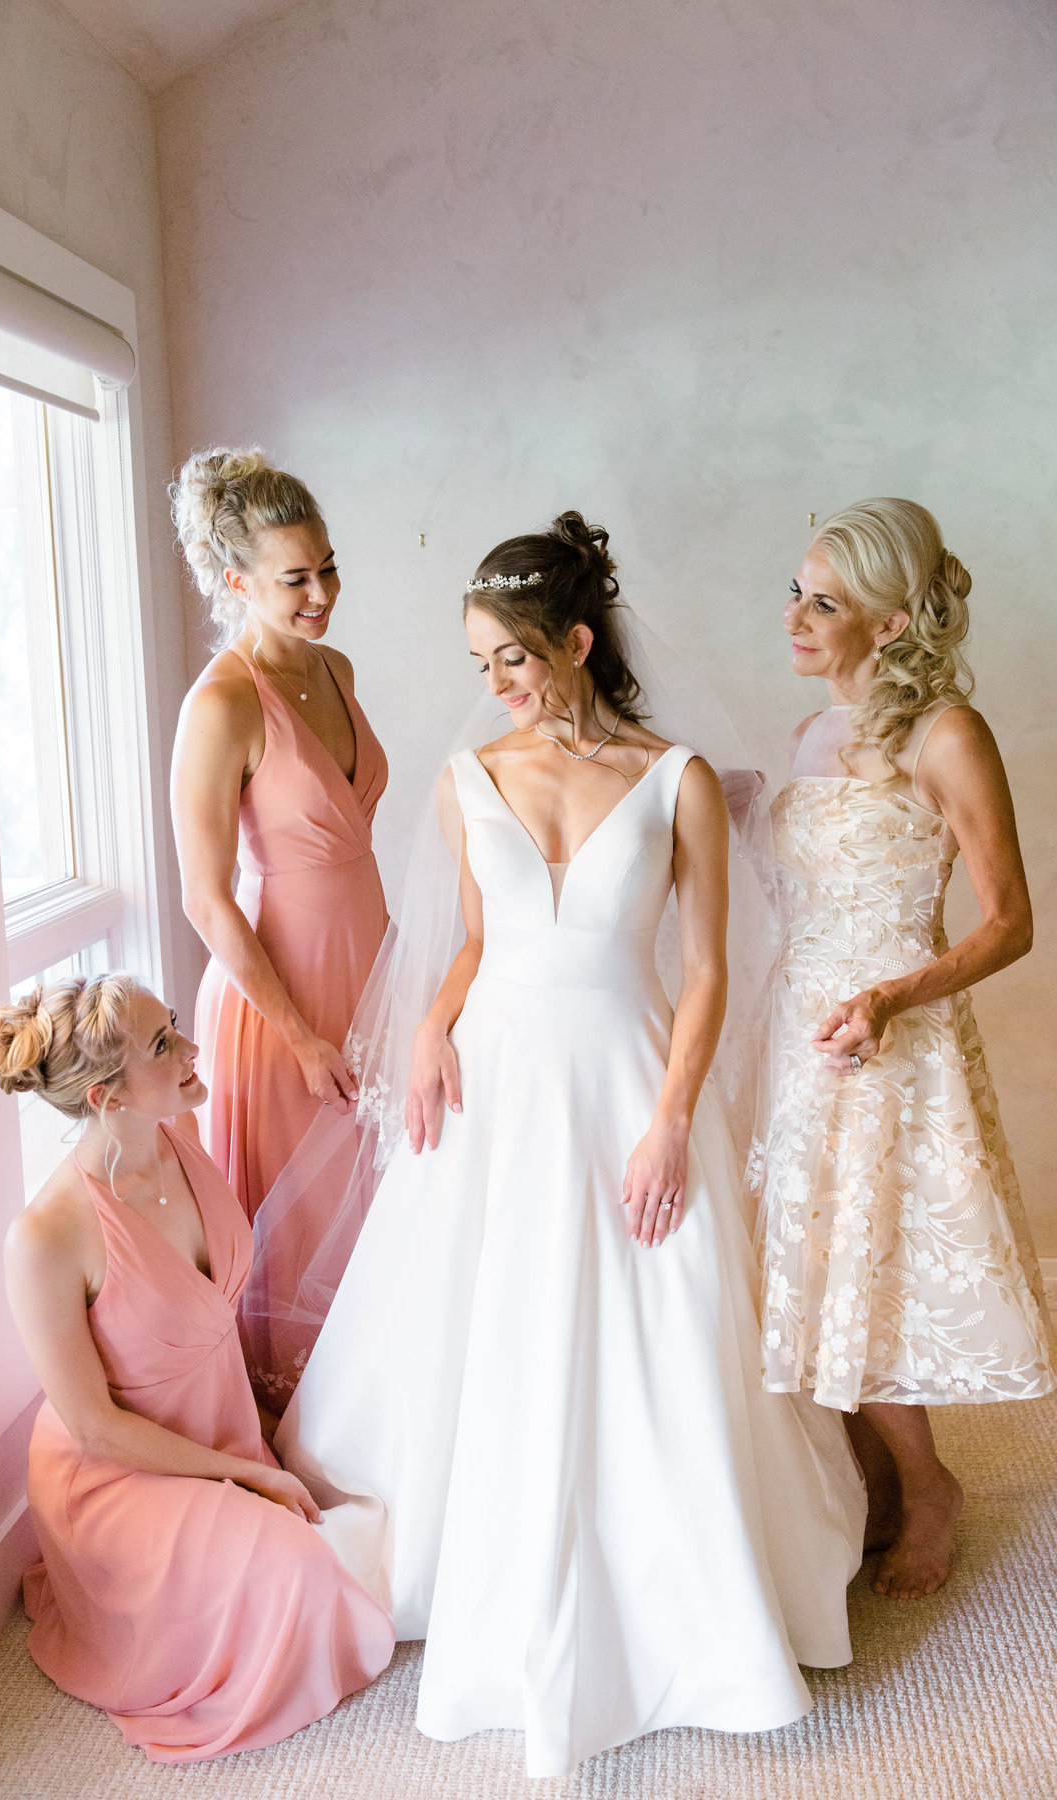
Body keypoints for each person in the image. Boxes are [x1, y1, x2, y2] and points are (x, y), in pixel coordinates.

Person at [265, 513, 865, 1779]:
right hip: (492, 1080)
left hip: (627, 1082)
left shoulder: (679, 777)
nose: (496, 687)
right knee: (485, 1319)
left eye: (515, 661)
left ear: (578, 642)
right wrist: (430, 1028)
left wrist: (668, 1122)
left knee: (663, 1314)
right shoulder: (465, 778)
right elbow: (479, 944)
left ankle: (683, 1588)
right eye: (483, 663)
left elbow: (703, 972)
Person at [749, 497, 1053, 1604]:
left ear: (888, 626)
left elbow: (1010, 922)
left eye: (824, 603)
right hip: (805, 1030)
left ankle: (930, 1488)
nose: (795, 615)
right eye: (796, 589)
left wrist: (891, 997)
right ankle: (872, 1476)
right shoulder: (807, 737)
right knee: (821, 1262)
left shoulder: (947, 735)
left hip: (895, 1036)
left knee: (875, 1269)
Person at [0, 973, 394, 1763]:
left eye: (173, 1026)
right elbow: (97, 1428)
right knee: (301, 1580)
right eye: (163, 1045)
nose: (193, 1048)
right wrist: (252, 1476)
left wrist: (269, 1440)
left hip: (218, 1431)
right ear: (107, 1096)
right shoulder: (43, 1237)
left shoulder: (182, 1141)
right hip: (115, 1478)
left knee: (377, 1492)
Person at [170, 448, 388, 1224]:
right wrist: (299, 1039)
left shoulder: (339, 671)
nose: (322, 594)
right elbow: (204, 898)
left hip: (367, 972)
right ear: (238, 583)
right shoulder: (220, 706)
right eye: (295, 579)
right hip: (278, 1002)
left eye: (327, 567)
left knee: (377, 1219)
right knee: (302, 1232)